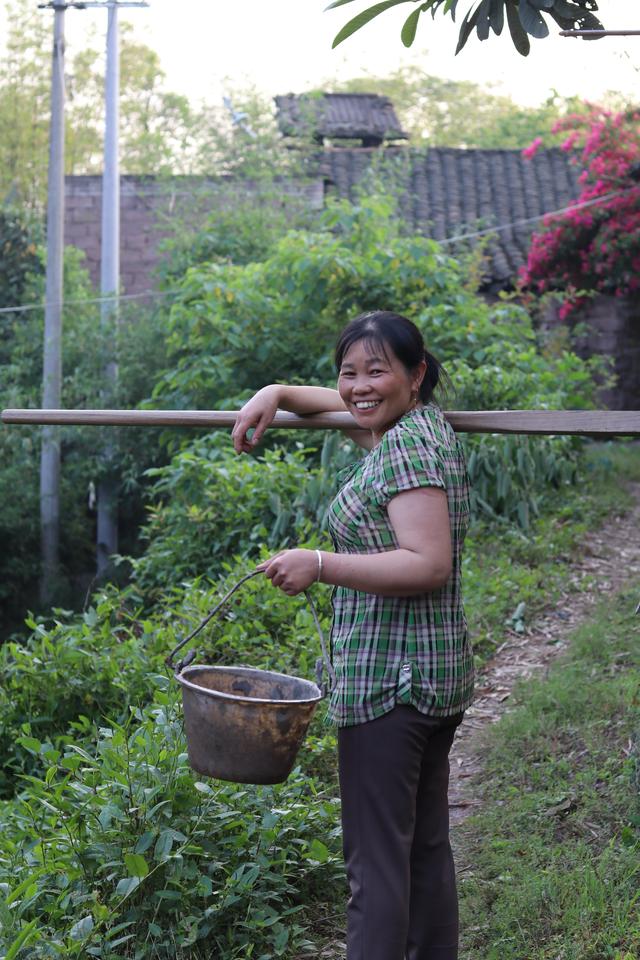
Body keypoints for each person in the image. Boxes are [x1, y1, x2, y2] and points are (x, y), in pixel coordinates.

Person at [231, 310, 474, 960]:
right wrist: (277, 394)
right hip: (425, 676)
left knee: (375, 867)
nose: (360, 387)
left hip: (391, 686)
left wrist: (321, 564)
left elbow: (428, 562)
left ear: (417, 373)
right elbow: (342, 403)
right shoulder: (409, 426)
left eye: (378, 371)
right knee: (420, 851)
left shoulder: (407, 446)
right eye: (349, 372)